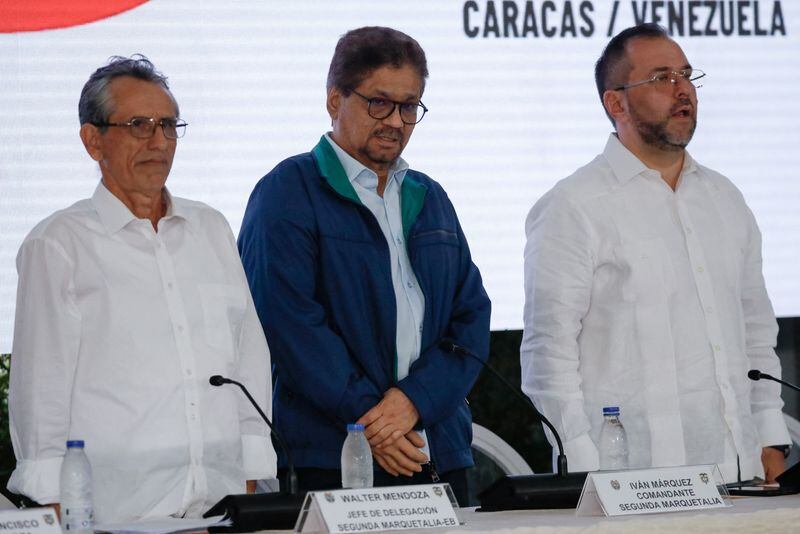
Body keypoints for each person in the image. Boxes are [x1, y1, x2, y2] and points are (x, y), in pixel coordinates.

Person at [7, 56, 276, 523]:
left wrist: (251, 482)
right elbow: (40, 396)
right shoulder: (58, 244)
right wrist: (55, 510)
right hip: (117, 513)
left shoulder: (209, 227)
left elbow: (247, 355)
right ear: (93, 140)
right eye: (139, 125)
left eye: (169, 125)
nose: (159, 141)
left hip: (223, 505)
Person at [520, 24, 791, 484]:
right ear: (615, 102)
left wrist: (769, 434)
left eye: (686, 75)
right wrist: (581, 464)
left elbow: (755, 330)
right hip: (629, 480)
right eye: (662, 78)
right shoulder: (574, 205)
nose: (683, 90)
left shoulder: (725, 199)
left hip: (738, 470)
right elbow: (549, 351)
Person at [238, 26, 491, 504]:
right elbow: (290, 326)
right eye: (379, 102)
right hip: (330, 458)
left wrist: (414, 402)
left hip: (436, 450)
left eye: (409, 106)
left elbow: (471, 318)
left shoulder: (431, 197)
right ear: (335, 100)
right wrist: (375, 421)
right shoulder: (288, 192)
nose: (395, 121)